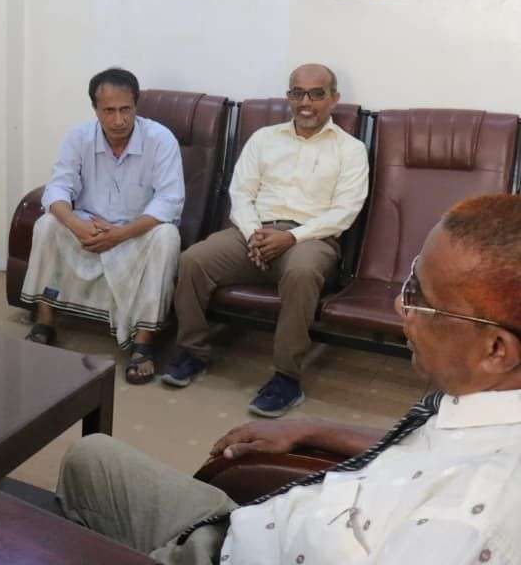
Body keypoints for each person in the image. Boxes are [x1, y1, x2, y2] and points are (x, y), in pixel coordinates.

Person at [59, 193, 521, 564]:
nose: (400, 305)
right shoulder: (477, 408)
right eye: (410, 283)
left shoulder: (470, 525)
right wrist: (313, 429)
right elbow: (425, 452)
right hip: (257, 525)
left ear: (496, 350)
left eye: (420, 297)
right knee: (88, 456)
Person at [162, 64, 369, 415]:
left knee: (301, 273)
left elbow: (344, 212)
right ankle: (192, 352)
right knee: (193, 260)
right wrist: (254, 235)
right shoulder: (264, 138)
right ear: (288, 97)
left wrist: (290, 237)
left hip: (311, 240)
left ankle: (286, 378)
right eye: (297, 93)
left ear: (334, 99)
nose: (305, 102)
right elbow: (240, 193)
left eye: (316, 94)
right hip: (253, 231)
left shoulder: (350, 150)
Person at [21, 67, 184, 385]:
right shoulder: (78, 137)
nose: (119, 120)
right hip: (88, 229)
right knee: (47, 224)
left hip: (136, 233)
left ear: (136, 106)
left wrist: (121, 234)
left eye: (126, 109)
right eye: (109, 110)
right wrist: (74, 224)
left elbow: (170, 200)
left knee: (167, 236)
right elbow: (58, 187)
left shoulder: (161, 139)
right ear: (95, 109)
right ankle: (45, 321)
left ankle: (143, 344)